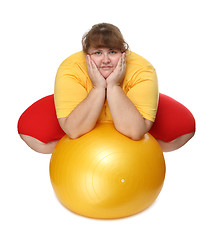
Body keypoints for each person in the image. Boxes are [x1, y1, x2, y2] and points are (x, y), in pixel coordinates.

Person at [18, 23, 195, 154]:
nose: (105, 60)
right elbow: (73, 131)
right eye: (98, 53)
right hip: (84, 100)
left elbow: (135, 132)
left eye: (112, 52)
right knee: (36, 137)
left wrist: (114, 85)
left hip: (128, 102)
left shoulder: (142, 69)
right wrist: (97, 88)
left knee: (181, 131)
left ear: (123, 53)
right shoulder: (71, 68)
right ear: (87, 55)